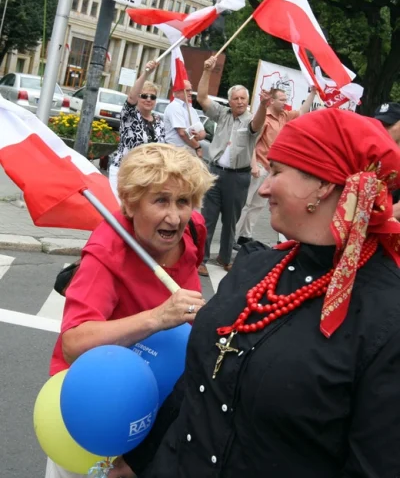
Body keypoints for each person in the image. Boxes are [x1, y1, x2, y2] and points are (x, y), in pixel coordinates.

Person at [109, 108, 400, 478]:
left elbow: (373, 464)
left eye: (277, 171)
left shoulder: (385, 316)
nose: (263, 186)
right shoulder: (253, 267)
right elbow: (198, 382)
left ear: (324, 186)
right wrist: (138, 461)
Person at [45, 143, 215, 478]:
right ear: (130, 204)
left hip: (159, 403)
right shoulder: (106, 251)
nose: (175, 216)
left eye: (183, 201)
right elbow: (74, 344)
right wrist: (157, 318)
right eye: (160, 200)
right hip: (99, 403)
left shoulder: (193, 228)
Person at [196, 56, 266, 277]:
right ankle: (202, 259)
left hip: (239, 177)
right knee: (208, 217)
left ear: (248, 101)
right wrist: (207, 71)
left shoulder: (251, 120)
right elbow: (202, 97)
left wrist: (263, 105)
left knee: (231, 220)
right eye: (236, 98)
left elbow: (258, 124)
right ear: (230, 100)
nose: (240, 102)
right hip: (215, 173)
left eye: (243, 98)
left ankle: (225, 257)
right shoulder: (222, 114)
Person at [234, 85, 317, 249]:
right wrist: (253, 166)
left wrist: (313, 92)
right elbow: (252, 143)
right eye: (282, 100)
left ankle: (245, 235)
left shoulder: (285, 116)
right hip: (259, 165)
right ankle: (233, 235)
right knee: (246, 203)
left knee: (258, 204)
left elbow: (302, 112)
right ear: (271, 100)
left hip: (271, 168)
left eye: (286, 100)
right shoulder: (264, 117)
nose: (285, 103)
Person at [109, 60, 165, 200]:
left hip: (146, 177)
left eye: (152, 97)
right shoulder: (131, 116)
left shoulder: (159, 122)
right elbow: (131, 98)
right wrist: (146, 73)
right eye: (144, 96)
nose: (148, 99)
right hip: (124, 173)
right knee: (119, 211)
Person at [163, 79, 206, 157]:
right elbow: (182, 133)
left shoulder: (191, 110)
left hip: (188, 154)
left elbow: (203, 131)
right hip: (175, 153)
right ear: (177, 92)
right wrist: (198, 147)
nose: (190, 93)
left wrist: (199, 136)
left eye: (191, 90)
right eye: (187, 90)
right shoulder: (174, 106)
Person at [374, 101, 400, 220]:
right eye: (378, 124)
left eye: (387, 124)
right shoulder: (374, 155)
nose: (382, 129)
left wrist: (367, 222)